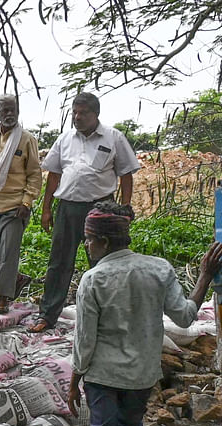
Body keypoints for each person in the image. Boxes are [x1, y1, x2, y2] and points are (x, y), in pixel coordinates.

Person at [67, 203, 222, 426]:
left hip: (103, 375)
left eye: (89, 240)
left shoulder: (93, 279)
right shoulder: (159, 269)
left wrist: (75, 381)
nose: (86, 246)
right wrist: (205, 277)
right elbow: (184, 317)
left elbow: (84, 341)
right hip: (141, 374)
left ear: (103, 241)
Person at [32, 92, 139, 333]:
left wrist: (124, 208)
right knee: (59, 262)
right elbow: (54, 175)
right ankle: (47, 316)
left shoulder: (114, 137)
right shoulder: (65, 138)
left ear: (95, 114)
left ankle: (108, 316)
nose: (77, 117)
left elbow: (126, 174)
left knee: (103, 263)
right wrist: (46, 208)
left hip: (100, 208)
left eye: (83, 113)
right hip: (68, 208)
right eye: (74, 112)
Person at [0, 93, 42, 315]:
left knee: (7, 255)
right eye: (5, 110)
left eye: (13, 109)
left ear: (18, 110)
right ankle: (15, 280)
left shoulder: (26, 139)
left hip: (15, 205)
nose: (9, 114)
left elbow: (34, 174)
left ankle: (3, 298)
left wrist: (27, 201)